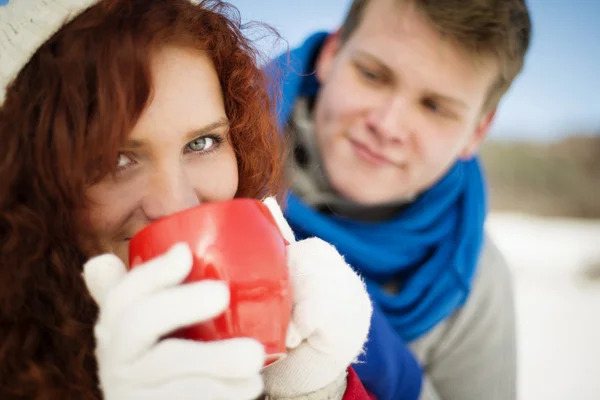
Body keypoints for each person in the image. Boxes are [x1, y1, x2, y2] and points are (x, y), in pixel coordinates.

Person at [0, 1, 374, 399]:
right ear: (25, 175)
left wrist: (315, 389)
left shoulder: (299, 303)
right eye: (115, 159)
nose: (177, 204)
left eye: (202, 142)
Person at [268, 0, 532, 399]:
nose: (387, 125)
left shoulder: (473, 284)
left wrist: (391, 374)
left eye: (435, 107)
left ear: (478, 130)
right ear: (332, 54)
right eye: (373, 75)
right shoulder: (198, 153)